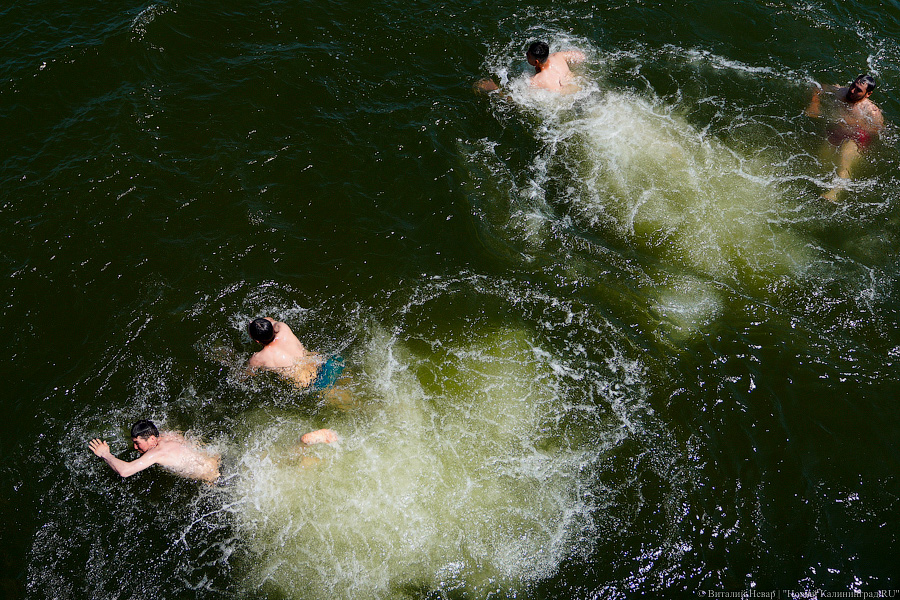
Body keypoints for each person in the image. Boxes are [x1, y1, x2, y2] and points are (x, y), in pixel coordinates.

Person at [88, 419, 338, 483]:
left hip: (220, 475)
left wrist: (106, 455)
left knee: (272, 474)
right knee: (268, 463)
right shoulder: (169, 436)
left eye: (137, 443)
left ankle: (303, 448)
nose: (135, 448)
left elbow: (125, 471)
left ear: (152, 439)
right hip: (221, 457)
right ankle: (304, 450)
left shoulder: (154, 454)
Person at [805, 74, 884, 201]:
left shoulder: (872, 111)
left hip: (856, 136)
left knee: (843, 162)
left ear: (868, 94)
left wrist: (861, 143)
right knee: (823, 160)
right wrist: (814, 105)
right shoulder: (840, 91)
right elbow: (818, 87)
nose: (852, 91)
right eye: (853, 85)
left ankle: (834, 193)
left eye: (858, 90)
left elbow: (878, 131)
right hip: (836, 131)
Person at [247, 317, 346, 392]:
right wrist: (257, 323)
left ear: (257, 341)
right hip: (325, 362)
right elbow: (269, 320)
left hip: (315, 382)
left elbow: (244, 376)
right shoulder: (283, 328)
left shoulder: (258, 358)